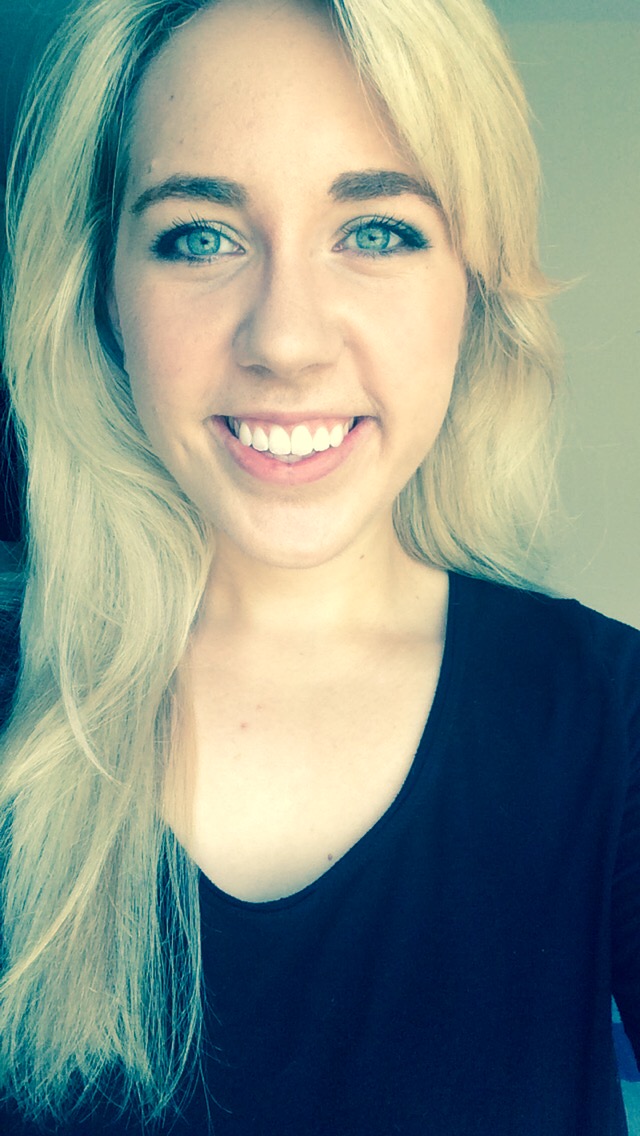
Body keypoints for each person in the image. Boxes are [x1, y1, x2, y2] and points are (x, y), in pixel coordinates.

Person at [0, 0, 638, 1132]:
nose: (286, 340)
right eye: (199, 236)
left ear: (474, 282)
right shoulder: (18, 712)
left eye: (377, 231)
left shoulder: (609, 718)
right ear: (103, 293)